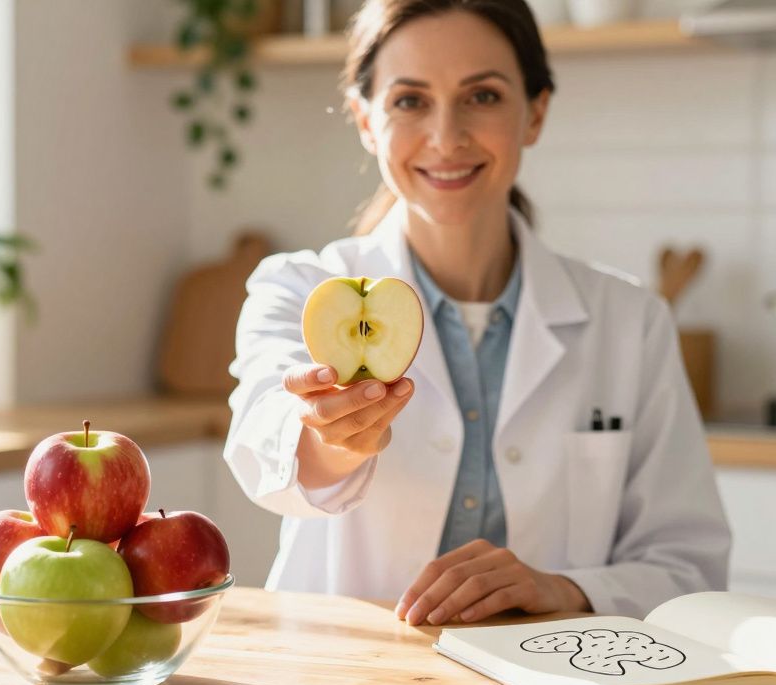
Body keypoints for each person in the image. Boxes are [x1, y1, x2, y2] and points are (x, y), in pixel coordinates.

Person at [223, 0, 730, 626]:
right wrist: (330, 438)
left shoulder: (631, 322)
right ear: (364, 120)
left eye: (482, 96)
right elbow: (263, 451)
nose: (446, 137)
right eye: (410, 101)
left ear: (536, 112)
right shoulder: (298, 289)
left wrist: (563, 589)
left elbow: (688, 567)